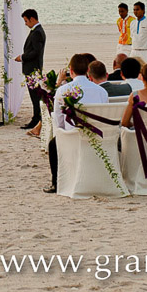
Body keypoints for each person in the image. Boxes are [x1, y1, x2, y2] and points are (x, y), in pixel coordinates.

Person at [45, 54, 109, 193]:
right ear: (87, 70)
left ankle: (56, 183)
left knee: (52, 144)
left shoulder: (63, 90)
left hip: (73, 135)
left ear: (71, 70)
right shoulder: (101, 91)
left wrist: (64, 131)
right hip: (97, 134)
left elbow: (59, 120)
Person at [16, 8, 46, 131]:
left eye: (26, 21)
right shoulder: (36, 31)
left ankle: (37, 119)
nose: (25, 24)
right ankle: (37, 118)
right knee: (34, 95)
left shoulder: (37, 32)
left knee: (35, 96)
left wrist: (22, 57)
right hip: (32, 69)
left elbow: (36, 52)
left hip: (33, 69)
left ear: (32, 19)